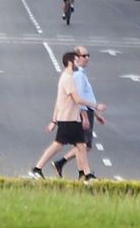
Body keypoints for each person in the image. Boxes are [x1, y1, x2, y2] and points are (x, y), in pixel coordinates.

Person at [30, 52, 106, 182]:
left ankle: (87, 175)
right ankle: (37, 169)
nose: (78, 64)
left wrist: (54, 120)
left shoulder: (68, 77)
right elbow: (77, 99)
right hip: (68, 119)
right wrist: (96, 106)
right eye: (76, 61)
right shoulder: (67, 78)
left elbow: (60, 100)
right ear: (70, 62)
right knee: (58, 145)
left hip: (72, 118)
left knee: (81, 146)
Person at [51, 46, 106, 178]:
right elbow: (79, 98)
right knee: (83, 145)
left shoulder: (80, 74)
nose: (87, 58)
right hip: (82, 113)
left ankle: (80, 172)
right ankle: (70, 167)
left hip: (88, 111)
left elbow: (86, 96)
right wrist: (85, 116)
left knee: (83, 145)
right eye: (84, 56)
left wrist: (96, 114)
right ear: (75, 58)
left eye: (88, 55)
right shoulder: (78, 75)